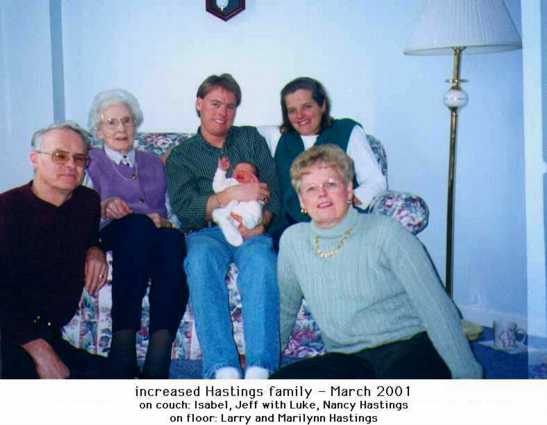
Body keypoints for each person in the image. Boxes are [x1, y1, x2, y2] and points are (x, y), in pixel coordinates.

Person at [272, 144, 482, 379]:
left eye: (331, 184)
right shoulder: (293, 241)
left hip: (407, 345)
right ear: (302, 200)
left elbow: (435, 306)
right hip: (346, 358)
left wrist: (467, 376)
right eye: (311, 188)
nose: (322, 193)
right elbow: (285, 309)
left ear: (349, 190)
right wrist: (264, 361)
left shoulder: (386, 232)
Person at [166, 73, 280, 379]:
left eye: (230, 106)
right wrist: (229, 195)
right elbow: (186, 210)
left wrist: (262, 224)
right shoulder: (182, 155)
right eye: (215, 104)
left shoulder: (250, 139)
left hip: (251, 226)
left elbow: (275, 190)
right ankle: (222, 367)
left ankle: (261, 367)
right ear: (199, 104)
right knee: (200, 260)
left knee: (261, 260)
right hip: (208, 231)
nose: (223, 112)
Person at [86, 89, 188, 378]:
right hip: (113, 232)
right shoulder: (90, 161)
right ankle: (123, 346)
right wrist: (103, 207)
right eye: (111, 122)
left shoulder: (153, 162)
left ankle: (159, 353)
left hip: (155, 233)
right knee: (137, 227)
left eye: (127, 121)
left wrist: (166, 222)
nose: (121, 128)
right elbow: (78, 209)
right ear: (99, 130)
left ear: (135, 124)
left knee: (172, 240)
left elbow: (172, 212)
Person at [0, 121, 110, 379]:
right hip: (10, 334)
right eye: (60, 156)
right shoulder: (7, 210)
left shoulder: (87, 202)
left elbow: (90, 235)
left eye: (79, 158)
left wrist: (95, 248)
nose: (71, 165)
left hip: (49, 335)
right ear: (35, 159)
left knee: (122, 380)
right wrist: (38, 349)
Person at [261, 77, 387, 241]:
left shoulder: (347, 131)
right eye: (292, 110)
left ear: (322, 105)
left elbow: (375, 181)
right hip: (292, 229)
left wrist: (343, 202)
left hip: (342, 223)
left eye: (307, 107)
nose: (299, 116)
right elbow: (237, 136)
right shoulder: (279, 137)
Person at [212, 157, 263, 247]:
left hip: (244, 219)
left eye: (244, 172)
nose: (239, 173)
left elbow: (258, 210)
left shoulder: (254, 190)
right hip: (229, 214)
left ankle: (238, 230)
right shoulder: (231, 182)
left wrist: (245, 221)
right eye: (237, 171)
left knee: (255, 208)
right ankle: (229, 227)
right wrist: (221, 171)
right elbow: (217, 187)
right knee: (218, 213)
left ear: (253, 178)